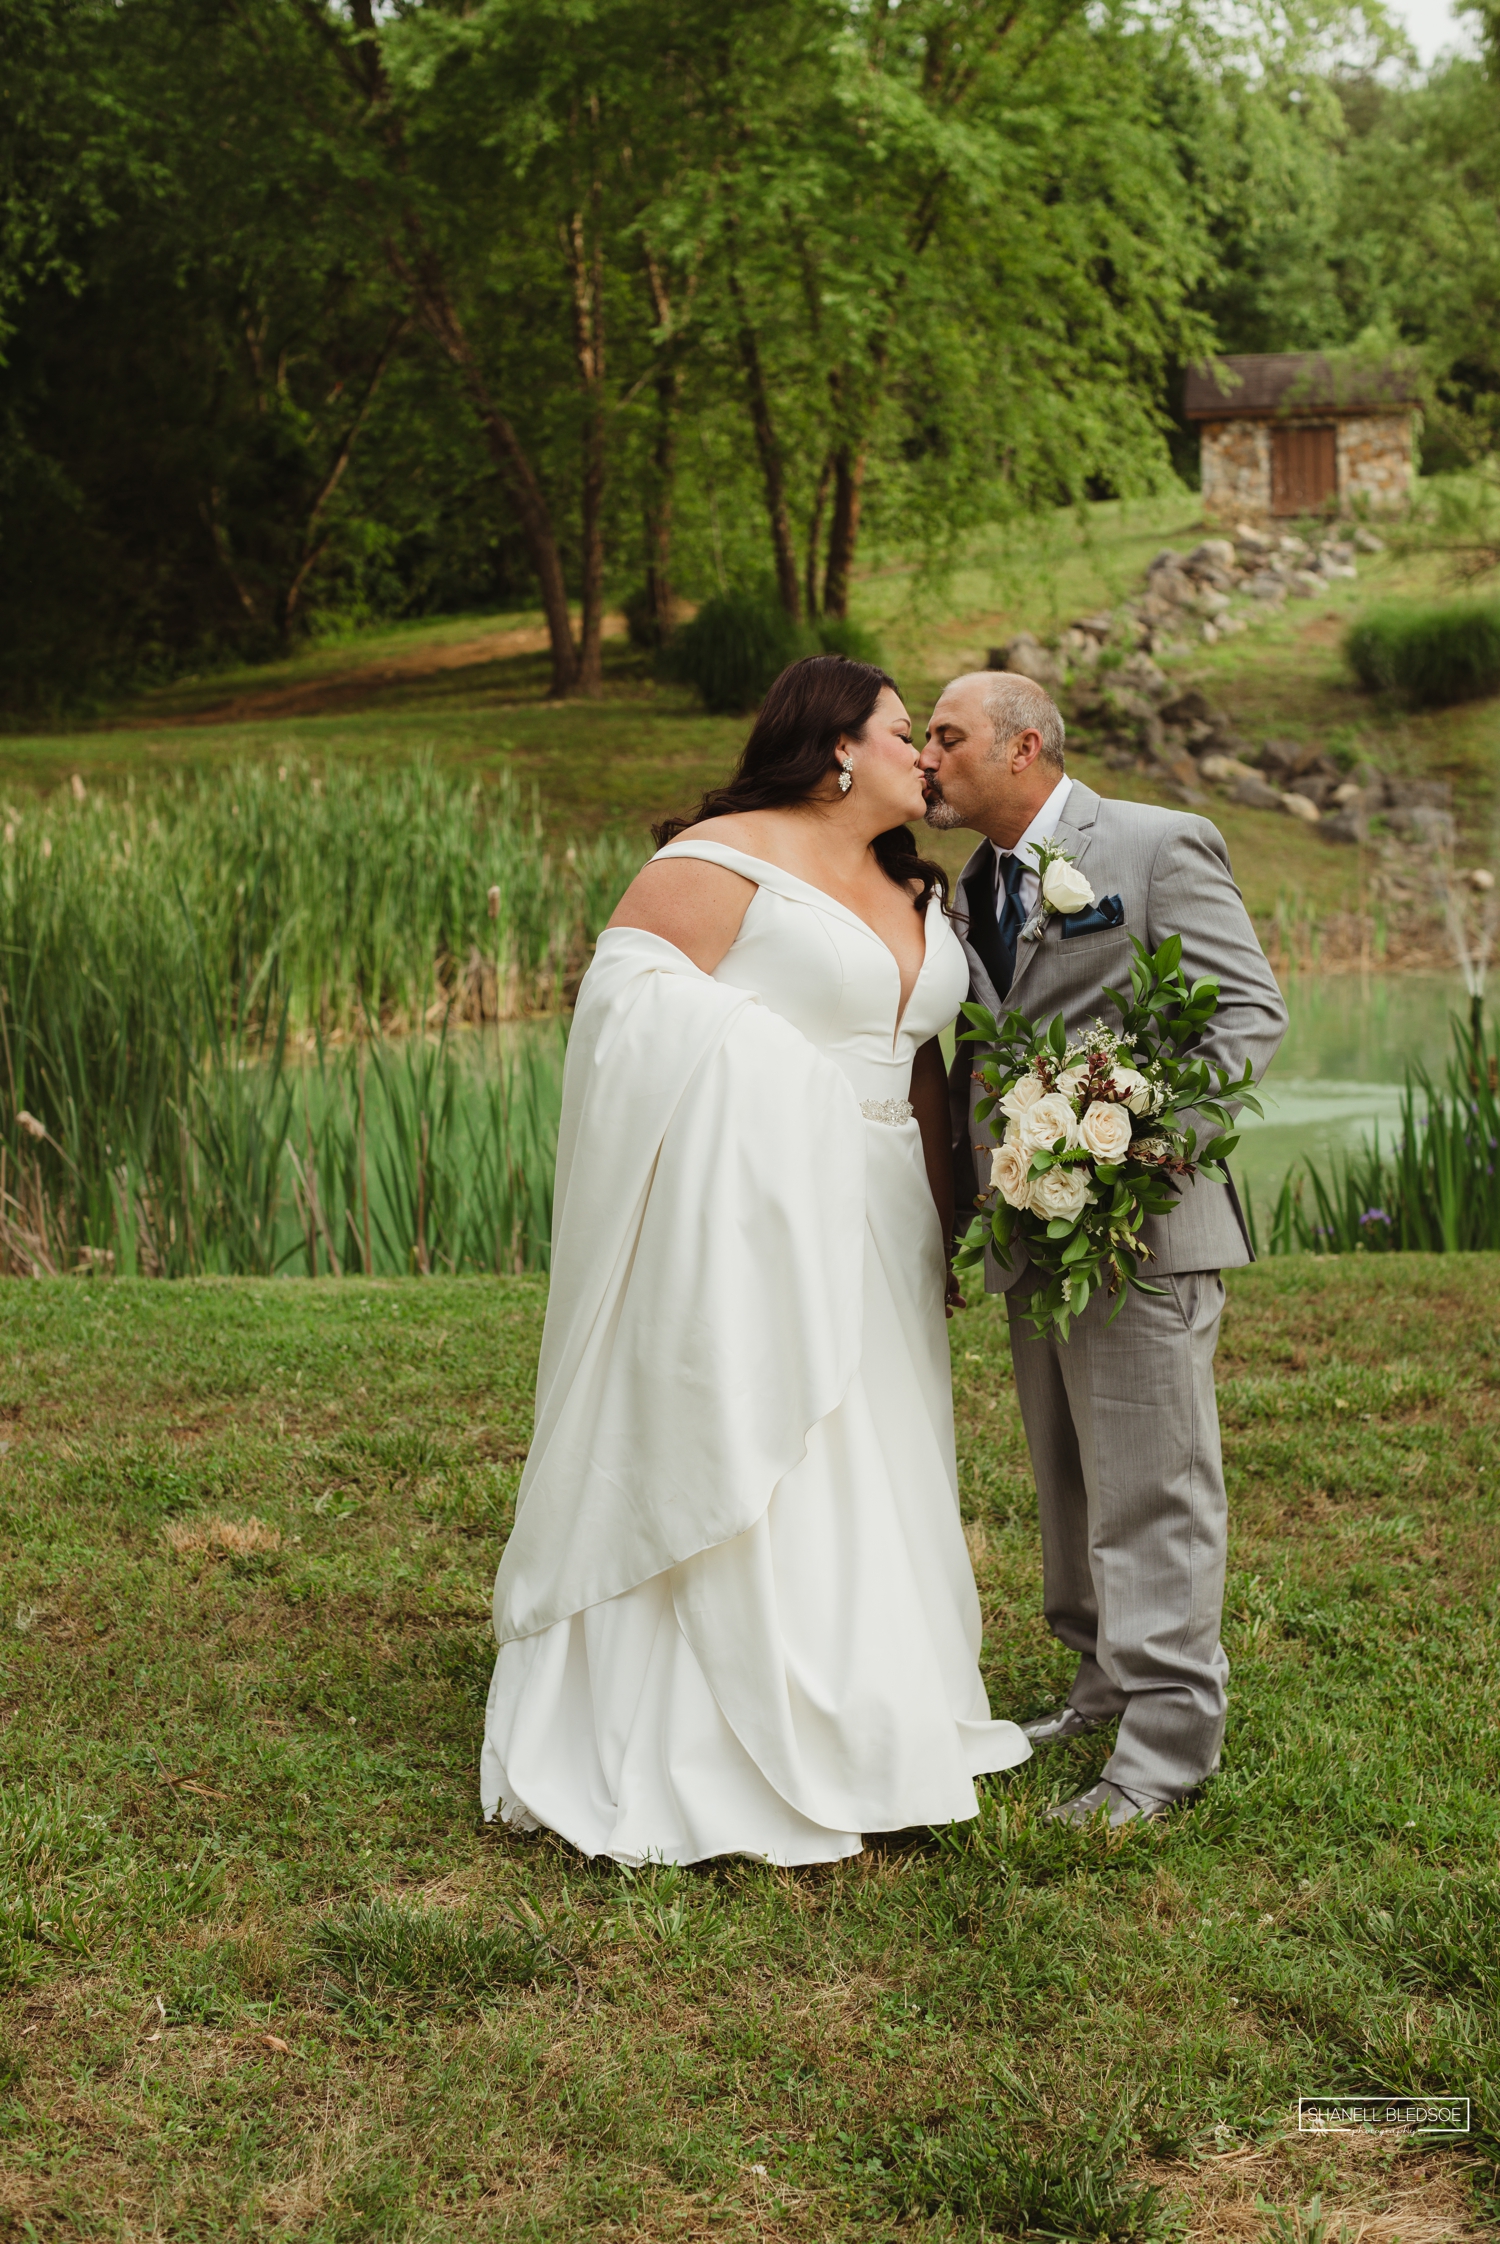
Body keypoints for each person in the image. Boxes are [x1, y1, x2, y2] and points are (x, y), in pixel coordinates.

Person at [480, 655, 1030, 1865]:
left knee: (879, 1442)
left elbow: (925, 1064)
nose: (925, 757)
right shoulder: (720, 860)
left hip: (883, 1210)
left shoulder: (918, 887)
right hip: (751, 1206)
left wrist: (945, 1215)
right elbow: (626, 1007)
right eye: (905, 734)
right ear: (838, 747)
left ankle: (885, 1709)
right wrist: (782, 1088)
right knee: (772, 1431)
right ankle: (720, 1736)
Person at [921, 670, 1287, 1828]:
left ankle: (1165, 1754)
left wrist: (1142, 1142)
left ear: (1023, 748)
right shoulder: (970, 884)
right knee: (1069, 1481)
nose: (926, 757)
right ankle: (1100, 1687)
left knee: (1154, 1490)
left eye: (947, 737)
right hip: (1035, 1234)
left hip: (1141, 1229)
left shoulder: (1155, 845)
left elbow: (1246, 1014)